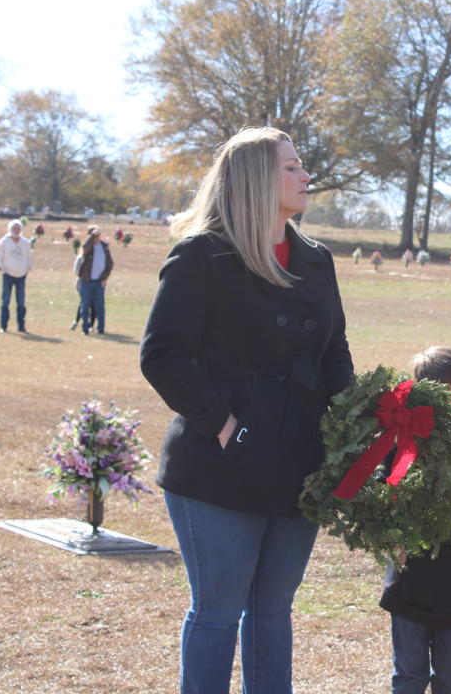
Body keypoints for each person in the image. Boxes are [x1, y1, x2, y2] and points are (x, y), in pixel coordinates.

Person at [139, 126, 354, 693]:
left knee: (272, 610)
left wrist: (350, 428)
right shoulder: (202, 255)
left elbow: (334, 351)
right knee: (218, 609)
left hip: (298, 457)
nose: (306, 175)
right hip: (221, 465)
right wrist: (223, 426)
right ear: (258, 178)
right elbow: (163, 354)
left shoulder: (315, 259)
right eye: (292, 166)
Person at [380, 346, 451, 694]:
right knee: (409, 677)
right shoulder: (400, 447)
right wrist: (395, 553)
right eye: (442, 402)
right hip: (410, 585)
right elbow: (383, 507)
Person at [0, 219, 33, 333]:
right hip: (8, 275)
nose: (16, 230)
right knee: (5, 301)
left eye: (18, 228)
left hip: (21, 275)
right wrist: (3, 270)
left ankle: (21, 325)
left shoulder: (25, 243)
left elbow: (29, 257)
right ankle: (3, 325)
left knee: (21, 302)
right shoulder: (4, 242)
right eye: (14, 228)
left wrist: (26, 269)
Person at [77, 226, 113, 335]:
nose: (97, 237)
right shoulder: (88, 247)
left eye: (98, 235)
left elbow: (109, 263)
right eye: (95, 235)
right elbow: (85, 247)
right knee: (85, 305)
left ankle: (100, 327)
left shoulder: (104, 246)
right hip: (87, 280)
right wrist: (92, 236)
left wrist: (104, 277)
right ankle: (85, 328)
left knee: (100, 305)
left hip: (99, 281)